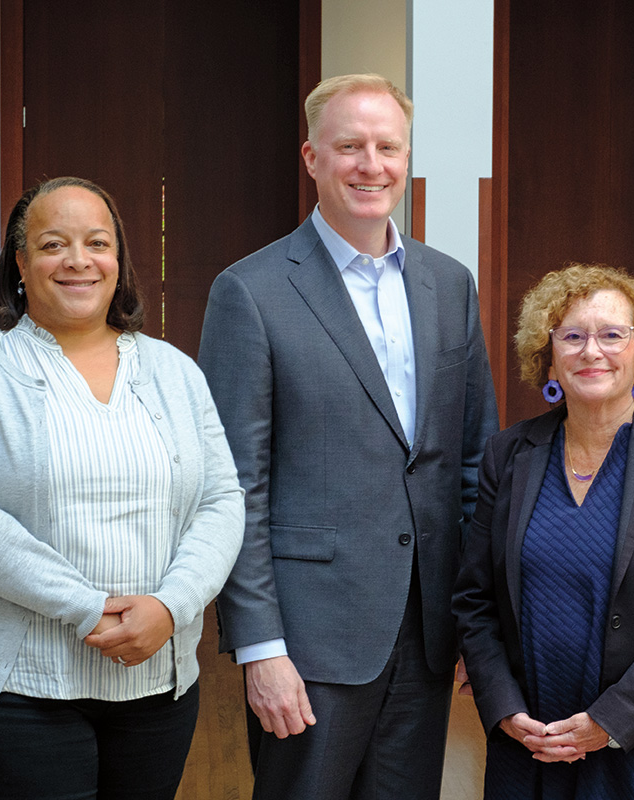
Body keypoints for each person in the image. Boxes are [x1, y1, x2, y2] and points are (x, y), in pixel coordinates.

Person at [198, 74, 499, 800]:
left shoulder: (449, 284)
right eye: (350, 146)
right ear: (311, 158)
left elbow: (471, 461)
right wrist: (260, 647)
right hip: (310, 643)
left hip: (426, 636)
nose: (372, 164)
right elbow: (234, 484)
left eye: (387, 146)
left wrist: (475, 617)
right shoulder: (252, 291)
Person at [0, 176, 245, 799]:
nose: (78, 260)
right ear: (20, 263)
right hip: (9, 689)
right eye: (53, 244)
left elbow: (222, 500)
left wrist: (171, 606)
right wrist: (89, 608)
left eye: (97, 242)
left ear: (119, 260)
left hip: (155, 685)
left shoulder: (174, 371)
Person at [453, 263, 634, 799]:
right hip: (531, 739)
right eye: (572, 336)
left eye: (612, 335)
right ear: (548, 355)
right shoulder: (508, 455)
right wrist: (503, 707)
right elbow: (473, 601)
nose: (591, 350)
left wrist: (611, 721)